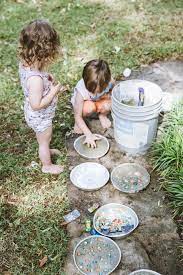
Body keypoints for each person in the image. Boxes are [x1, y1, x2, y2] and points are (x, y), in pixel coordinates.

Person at [18, 19, 66, 174]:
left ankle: (45, 148)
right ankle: (47, 165)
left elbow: (38, 75)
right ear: (44, 52)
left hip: (37, 115)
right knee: (44, 140)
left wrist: (47, 76)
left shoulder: (27, 63)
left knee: (44, 139)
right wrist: (53, 92)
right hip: (40, 116)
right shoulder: (36, 80)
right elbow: (36, 104)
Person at [71, 59, 114, 148]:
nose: (94, 93)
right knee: (88, 108)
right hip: (84, 104)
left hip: (99, 100)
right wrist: (88, 134)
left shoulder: (109, 82)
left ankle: (102, 115)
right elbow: (77, 115)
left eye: (99, 90)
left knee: (110, 103)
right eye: (91, 90)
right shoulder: (81, 90)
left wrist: (108, 98)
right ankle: (78, 123)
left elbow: (112, 90)